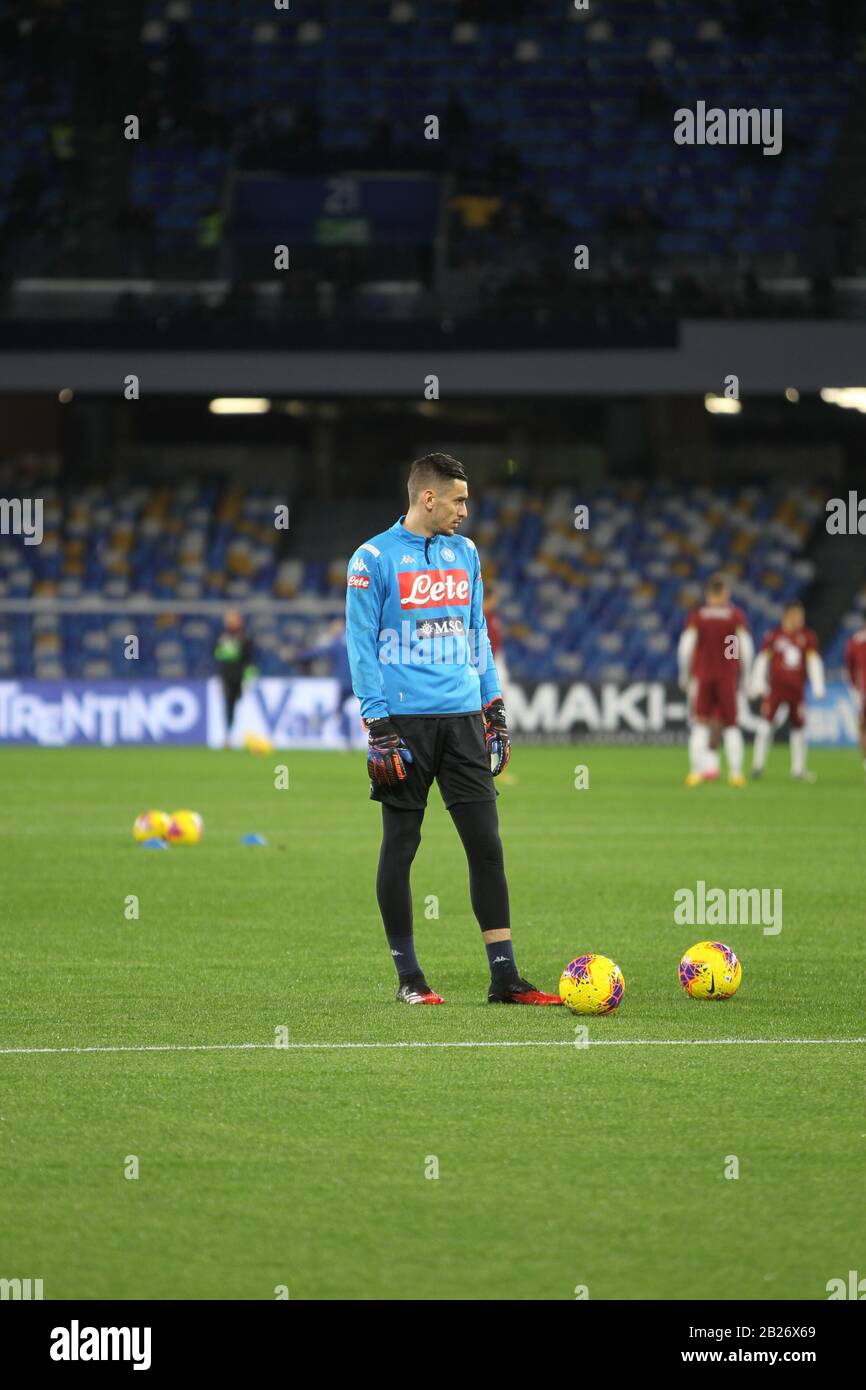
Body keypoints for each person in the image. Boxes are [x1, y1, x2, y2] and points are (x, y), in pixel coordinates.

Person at [345, 452, 561, 1006]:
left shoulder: (465, 554)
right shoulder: (372, 559)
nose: (467, 510)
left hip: (464, 718)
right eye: (459, 500)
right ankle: (409, 977)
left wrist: (493, 706)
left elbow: (477, 633)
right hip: (404, 723)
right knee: (401, 845)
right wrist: (377, 722)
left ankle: (505, 975)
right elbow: (360, 646)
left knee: (486, 846)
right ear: (428, 497)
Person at [678, 574, 753, 788]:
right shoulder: (734, 616)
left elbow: (685, 648)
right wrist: (745, 676)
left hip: (703, 678)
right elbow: (744, 647)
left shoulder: (698, 616)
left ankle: (696, 773)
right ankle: (736, 774)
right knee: (731, 726)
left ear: (708, 594)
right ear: (725, 593)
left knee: (700, 724)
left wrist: (684, 674)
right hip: (727, 677)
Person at [750, 601, 825, 781]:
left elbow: (813, 662)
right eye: (798, 615)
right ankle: (757, 766)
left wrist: (818, 685)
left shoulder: (807, 637)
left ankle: (798, 769)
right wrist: (758, 682)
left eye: (801, 616)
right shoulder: (774, 636)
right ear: (788, 615)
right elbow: (762, 661)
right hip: (775, 690)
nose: (801, 619)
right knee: (765, 726)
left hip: (796, 691)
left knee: (799, 728)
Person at [214, 610, 256, 748]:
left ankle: (245, 735)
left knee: (240, 703)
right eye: (229, 619)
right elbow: (215, 653)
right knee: (229, 704)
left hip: (240, 676)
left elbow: (250, 657)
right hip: (226, 675)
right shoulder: (221, 636)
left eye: (234, 619)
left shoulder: (245, 636)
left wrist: (249, 676)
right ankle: (228, 736)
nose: (231, 622)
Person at [844, 618, 866, 776]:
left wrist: (854, 688)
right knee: (863, 725)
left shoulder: (855, 641)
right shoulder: (856, 642)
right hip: (862, 692)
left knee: (863, 726)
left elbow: (850, 669)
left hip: (862, 692)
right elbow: (851, 669)